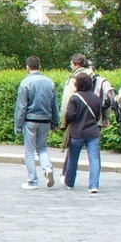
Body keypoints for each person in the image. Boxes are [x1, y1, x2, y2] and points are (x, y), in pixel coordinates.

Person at [14, 55, 58, 190]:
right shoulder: (49, 82)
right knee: (42, 148)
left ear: (27, 67)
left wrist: (18, 126)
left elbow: (21, 107)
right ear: (40, 66)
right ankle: (47, 168)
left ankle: (32, 181)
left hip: (30, 120)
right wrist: (55, 122)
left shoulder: (25, 83)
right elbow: (54, 105)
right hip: (45, 120)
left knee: (29, 151)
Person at [63, 72, 105, 194]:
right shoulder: (96, 98)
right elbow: (98, 116)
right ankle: (94, 185)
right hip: (93, 132)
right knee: (94, 159)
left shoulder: (75, 98)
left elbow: (70, 115)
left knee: (73, 158)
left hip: (77, 132)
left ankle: (70, 182)